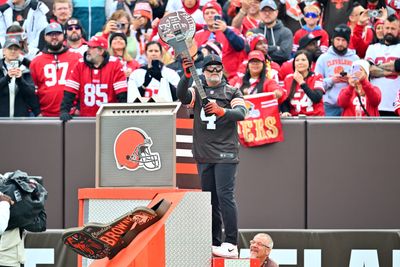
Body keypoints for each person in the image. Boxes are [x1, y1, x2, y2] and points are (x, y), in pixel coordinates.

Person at [177, 54, 247, 258]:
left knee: (225, 196)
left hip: (225, 151)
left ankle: (231, 242)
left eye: (218, 68)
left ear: (223, 69)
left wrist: (221, 111)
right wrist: (186, 75)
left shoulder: (232, 90)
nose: (214, 72)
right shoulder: (198, 90)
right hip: (204, 152)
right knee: (210, 200)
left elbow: (242, 113)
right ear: (204, 72)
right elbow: (181, 96)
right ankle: (214, 241)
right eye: (210, 68)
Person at [59, 35, 128, 120]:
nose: (88, 50)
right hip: (85, 118)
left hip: (108, 119)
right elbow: (70, 91)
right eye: (88, 47)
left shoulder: (114, 64)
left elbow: (122, 94)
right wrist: (64, 110)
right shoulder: (80, 64)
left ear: (101, 51)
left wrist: (122, 116)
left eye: (91, 48)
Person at [30, 22, 81, 117]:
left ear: (63, 35)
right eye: (50, 34)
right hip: (46, 115)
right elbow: (32, 90)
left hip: (72, 113)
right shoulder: (36, 61)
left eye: (57, 34)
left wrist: (79, 107)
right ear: (44, 37)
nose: (54, 37)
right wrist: (37, 112)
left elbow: (84, 84)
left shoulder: (76, 57)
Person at [315, 24, 359, 116]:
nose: (340, 43)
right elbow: (315, 84)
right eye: (337, 39)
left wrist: (350, 79)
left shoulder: (355, 59)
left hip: (350, 105)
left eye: (343, 40)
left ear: (348, 42)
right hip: (329, 106)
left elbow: (360, 83)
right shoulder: (323, 58)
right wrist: (332, 80)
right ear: (332, 40)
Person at [194, 1, 246, 80]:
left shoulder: (231, 30)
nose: (210, 15)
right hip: (206, 79)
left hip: (231, 78)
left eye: (213, 12)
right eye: (207, 13)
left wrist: (226, 30)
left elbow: (240, 46)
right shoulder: (197, 35)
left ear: (219, 14)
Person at [365, 14, 400, 116]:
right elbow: (368, 69)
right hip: (376, 103)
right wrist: (394, 70)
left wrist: (377, 66)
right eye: (387, 28)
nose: (389, 31)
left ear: (399, 30)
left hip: (396, 104)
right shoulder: (373, 48)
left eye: (393, 28)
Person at [0, 37, 40, 117]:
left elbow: (31, 94)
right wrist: (6, 78)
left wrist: (20, 80)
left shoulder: (26, 69)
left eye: (16, 49)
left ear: (20, 52)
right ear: (4, 51)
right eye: (10, 48)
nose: (13, 51)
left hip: (21, 119)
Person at [247, 0, 293, 65]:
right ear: (259, 13)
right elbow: (249, 51)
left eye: (270, 10)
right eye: (264, 11)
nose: (267, 13)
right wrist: (275, 48)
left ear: (276, 12)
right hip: (257, 68)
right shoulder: (253, 32)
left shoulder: (286, 32)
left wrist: (260, 49)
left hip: (280, 69)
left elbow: (284, 54)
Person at [281, 50, 325, 117]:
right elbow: (285, 101)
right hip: (295, 119)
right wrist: (285, 111)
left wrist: (302, 83)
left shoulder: (317, 77)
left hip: (315, 118)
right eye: (297, 60)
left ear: (310, 63)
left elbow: (317, 98)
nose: (300, 62)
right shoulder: (288, 78)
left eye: (303, 60)